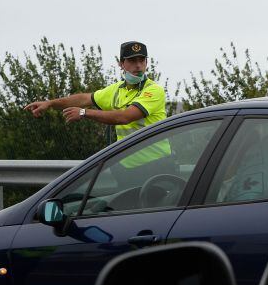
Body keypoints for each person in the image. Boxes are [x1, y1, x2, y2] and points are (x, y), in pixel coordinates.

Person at [25, 41, 169, 188]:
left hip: (156, 165)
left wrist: (83, 112)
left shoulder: (154, 90)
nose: (138, 65)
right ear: (121, 64)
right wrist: (50, 103)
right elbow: (84, 98)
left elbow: (124, 117)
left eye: (142, 60)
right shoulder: (116, 90)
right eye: (132, 60)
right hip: (128, 168)